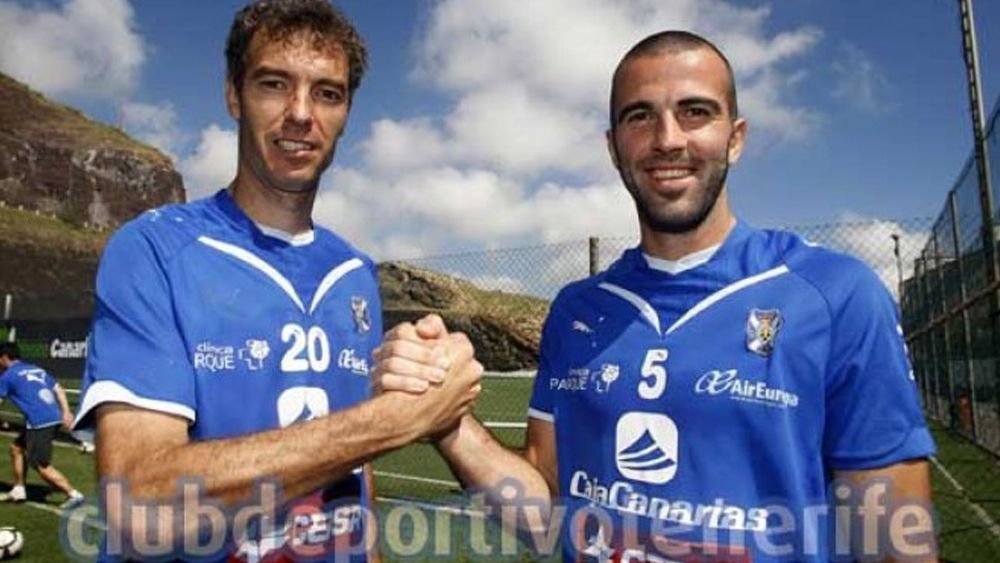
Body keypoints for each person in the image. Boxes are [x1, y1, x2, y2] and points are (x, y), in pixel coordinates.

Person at [378, 31, 938, 561]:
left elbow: (896, 545)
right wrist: (448, 419)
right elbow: (546, 515)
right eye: (640, 116)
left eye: (695, 112)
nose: (668, 138)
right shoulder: (576, 311)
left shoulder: (836, 295)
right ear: (614, 146)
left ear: (736, 138)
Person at [71, 1, 481, 561]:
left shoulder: (354, 272)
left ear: (346, 112)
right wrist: (392, 421)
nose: (300, 113)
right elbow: (141, 506)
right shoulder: (155, 249)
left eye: (327, 93)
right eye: (273, 84)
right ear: (234, 96)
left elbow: (355, 477)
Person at [0, 342, 84, 509]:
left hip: (39, 421)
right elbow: (58, 389)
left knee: (39, 464)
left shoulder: (7, 376)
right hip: (53, 416)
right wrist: (66, 412)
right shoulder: (35, 368)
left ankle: (73, 494)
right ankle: (18, 489)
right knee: (16, 448)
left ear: (3, 358)